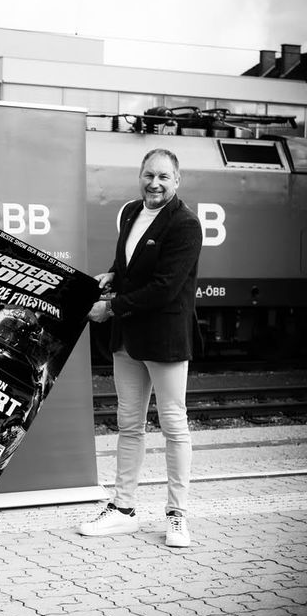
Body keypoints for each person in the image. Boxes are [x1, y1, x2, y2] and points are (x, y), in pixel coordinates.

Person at [79, 149, 203, 547]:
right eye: (149, 175)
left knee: (174, 425)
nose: (155, 183)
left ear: (177, 181)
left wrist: (111, 307)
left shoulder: (185, 224)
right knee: (129, 424)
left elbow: (165, 287)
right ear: (140, 176)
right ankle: (123, 510)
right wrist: (113, 275)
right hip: (129, 338)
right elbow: (132, 265)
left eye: (164, 177)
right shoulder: (133, 211)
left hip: (164, 338)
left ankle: (177, 515)